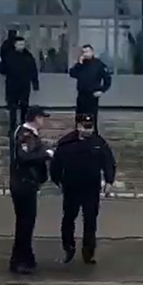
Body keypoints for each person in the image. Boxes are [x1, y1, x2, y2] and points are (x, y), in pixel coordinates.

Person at [49, 113, 116, 265]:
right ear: (78, 126)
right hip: (72, 186)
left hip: (91, 187)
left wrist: (109, 181)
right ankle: (68, 248)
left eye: (90, 127)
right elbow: (56, 163)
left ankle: (88, 252)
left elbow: (108, 161)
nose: (88, 130)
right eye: (85, 127)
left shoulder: (98, 142)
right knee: (69, 218)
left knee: (90, 220)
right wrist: (57, 180)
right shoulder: (67, 142)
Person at [8, 106, 53, 275]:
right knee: (25, 223)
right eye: (42, 117)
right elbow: (24, 157)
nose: (44, 121)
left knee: (26, 223)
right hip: (23, 184)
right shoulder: (26, 135)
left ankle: (26, 257)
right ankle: (19, 260)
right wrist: (47, 154)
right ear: (35, 118)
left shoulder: (29, 134)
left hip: (27, 183)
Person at [0, 36, 39, 137]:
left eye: (22, 44)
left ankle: (23, 127)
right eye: (19, 44)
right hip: (12, 85)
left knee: (24, 106)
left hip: (24, 85)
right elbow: (3, 70)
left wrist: (35, 83)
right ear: (15, 45)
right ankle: (12, 128)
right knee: (12, 107)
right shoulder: (9, 56)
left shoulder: (28, 56)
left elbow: (33, 70)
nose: (21, 46)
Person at [68, 44, 111, 133]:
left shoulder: (98, 64)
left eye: (87, 52)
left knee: (91, 118)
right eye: (83, 52)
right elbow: (72, 74)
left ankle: (92, 136)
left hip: (92, 95)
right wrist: (79, 64)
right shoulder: (81, 65)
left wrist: (102, 90)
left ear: (92, 52)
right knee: (80, 118)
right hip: (81, 95)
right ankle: (79, 136)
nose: (85, 54)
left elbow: (107, 79)